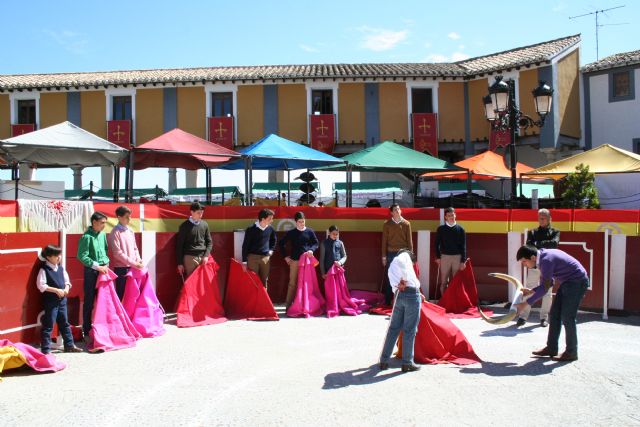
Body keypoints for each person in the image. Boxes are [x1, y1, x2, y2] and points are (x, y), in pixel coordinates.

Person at [514, 245, 589, 362]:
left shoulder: (546, 260)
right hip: (568, 282)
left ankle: (571, 352)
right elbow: (548, 283)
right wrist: (532, 290)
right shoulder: (543, 258)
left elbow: (545, 288)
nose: (524, 265)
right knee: (554, 315)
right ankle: (551, 348)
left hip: (576, 283)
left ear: (533, 257)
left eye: (524, 261)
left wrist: (525, 304)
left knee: (568, 317)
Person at [379, 250, 423, 373]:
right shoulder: (403, 256)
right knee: (409, 330)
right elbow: (402, 263)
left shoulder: (391, 266)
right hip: (411, 295)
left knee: (393, 329)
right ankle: (407, 363)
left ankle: (384, 360)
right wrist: (404, 279)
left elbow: (394, 285)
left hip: (399, 295)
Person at [516, 208, 560, 327]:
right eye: (539, 218)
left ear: (550, 219)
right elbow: (530, 247)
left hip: (548, 265)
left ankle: (544, 318)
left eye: (543, 218)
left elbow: (554, 244)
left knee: (547, 291)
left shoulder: (555, 232)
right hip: (534, 264)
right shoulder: (533, 232)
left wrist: (538, 244)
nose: (541, 220)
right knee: (529, 289)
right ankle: (523, 316)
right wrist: (544, 243)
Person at [37, 245, 82, 354]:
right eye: (56, 255)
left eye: (59, 255)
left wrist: (66, 288)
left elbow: (67, 282)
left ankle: (69, 345)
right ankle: (46, 350)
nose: (59, 257)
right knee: (49, 324)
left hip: (62, 300)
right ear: (48, 257)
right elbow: (41, 285)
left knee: (64, 323)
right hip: (51, 301)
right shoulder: (44, 270)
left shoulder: (61, 269)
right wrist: (56, 290)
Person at [77, 211, 109, 347]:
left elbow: (106, 251)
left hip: (103, 270)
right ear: (94, 222)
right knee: (89, 301)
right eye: (102, 223)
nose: (103, 226)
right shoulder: (86, 237)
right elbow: (81, 256)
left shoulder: (102, 235)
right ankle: (86, 331)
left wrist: (106, 263)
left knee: (104, 301)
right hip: (92, 271)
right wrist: (98, 267)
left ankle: (101, 329)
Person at [278, 211, 319, 308]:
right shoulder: (291, 233)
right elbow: (281, 244)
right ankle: (288, 306)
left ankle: (305, 306)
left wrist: (311, 250)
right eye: (300, 221)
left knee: (306, 283)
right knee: (293, 283)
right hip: (295, 261)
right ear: (296, 222)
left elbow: (316, 243)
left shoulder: (310, 231)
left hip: (307, 262)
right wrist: (286, 257)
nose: (302, 223)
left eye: (303, 221)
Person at [109, 205, 144, 300]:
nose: (129, 219)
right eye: (126, 217)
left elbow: (135, 248)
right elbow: (117, 253)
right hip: (122, 268)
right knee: (122, 295)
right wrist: (134, 263)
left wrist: (139, 259)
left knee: (133, 295)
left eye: (130, 216)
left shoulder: (130, 231)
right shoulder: (115, 232)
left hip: (133, 267)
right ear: (119, 217)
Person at [381, 204, 413, 305]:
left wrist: (411, 256)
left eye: (399, 209)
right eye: (395, 210)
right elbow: (384, 241)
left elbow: (410, 241)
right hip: (391, 253)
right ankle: (387, 301)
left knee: (404, 277)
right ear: (391, 212)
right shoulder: (387, 224)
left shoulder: (407, 224)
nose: (398, 211)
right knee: (391, 277)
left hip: (403, 254)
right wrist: (384, 256)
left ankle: (403, 301)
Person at [435, 207, 466, 297]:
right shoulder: (441, 229)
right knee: (444, 281)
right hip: (445, 257)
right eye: (449, 216)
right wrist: (437, 257)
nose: (451, 217)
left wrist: (463, 261)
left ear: (455, 215)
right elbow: (436, 244)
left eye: (452, 215)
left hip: (457, 257)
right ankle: (444, 300)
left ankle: (455, 300)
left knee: (455, 281)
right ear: (445, 217)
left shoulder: (461, 229)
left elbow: (463, 246)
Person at [241, 208, 277, 288]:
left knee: (264, 280)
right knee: (253, 281)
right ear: (263, 219)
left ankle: (263, 300)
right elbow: (245, 245)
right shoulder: (251, 229)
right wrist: (244, 262)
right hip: (252, 258)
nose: (272, 221)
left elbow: (274, 240)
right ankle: (254, 300)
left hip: (265, 258)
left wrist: (271, 250)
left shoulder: (270, 229)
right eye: (270, 219)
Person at [176, 202, 212, 278]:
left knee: (203, 282)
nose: (200, 215)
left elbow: (209, 242)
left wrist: (206, 256)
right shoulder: (184, 226)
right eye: (198, 213)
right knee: (192, 281)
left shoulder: (205, 224)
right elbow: (179, 245)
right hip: (190, 258)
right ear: (192, 212)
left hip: (203, 257)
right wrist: (180, 263)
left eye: (202, 213)